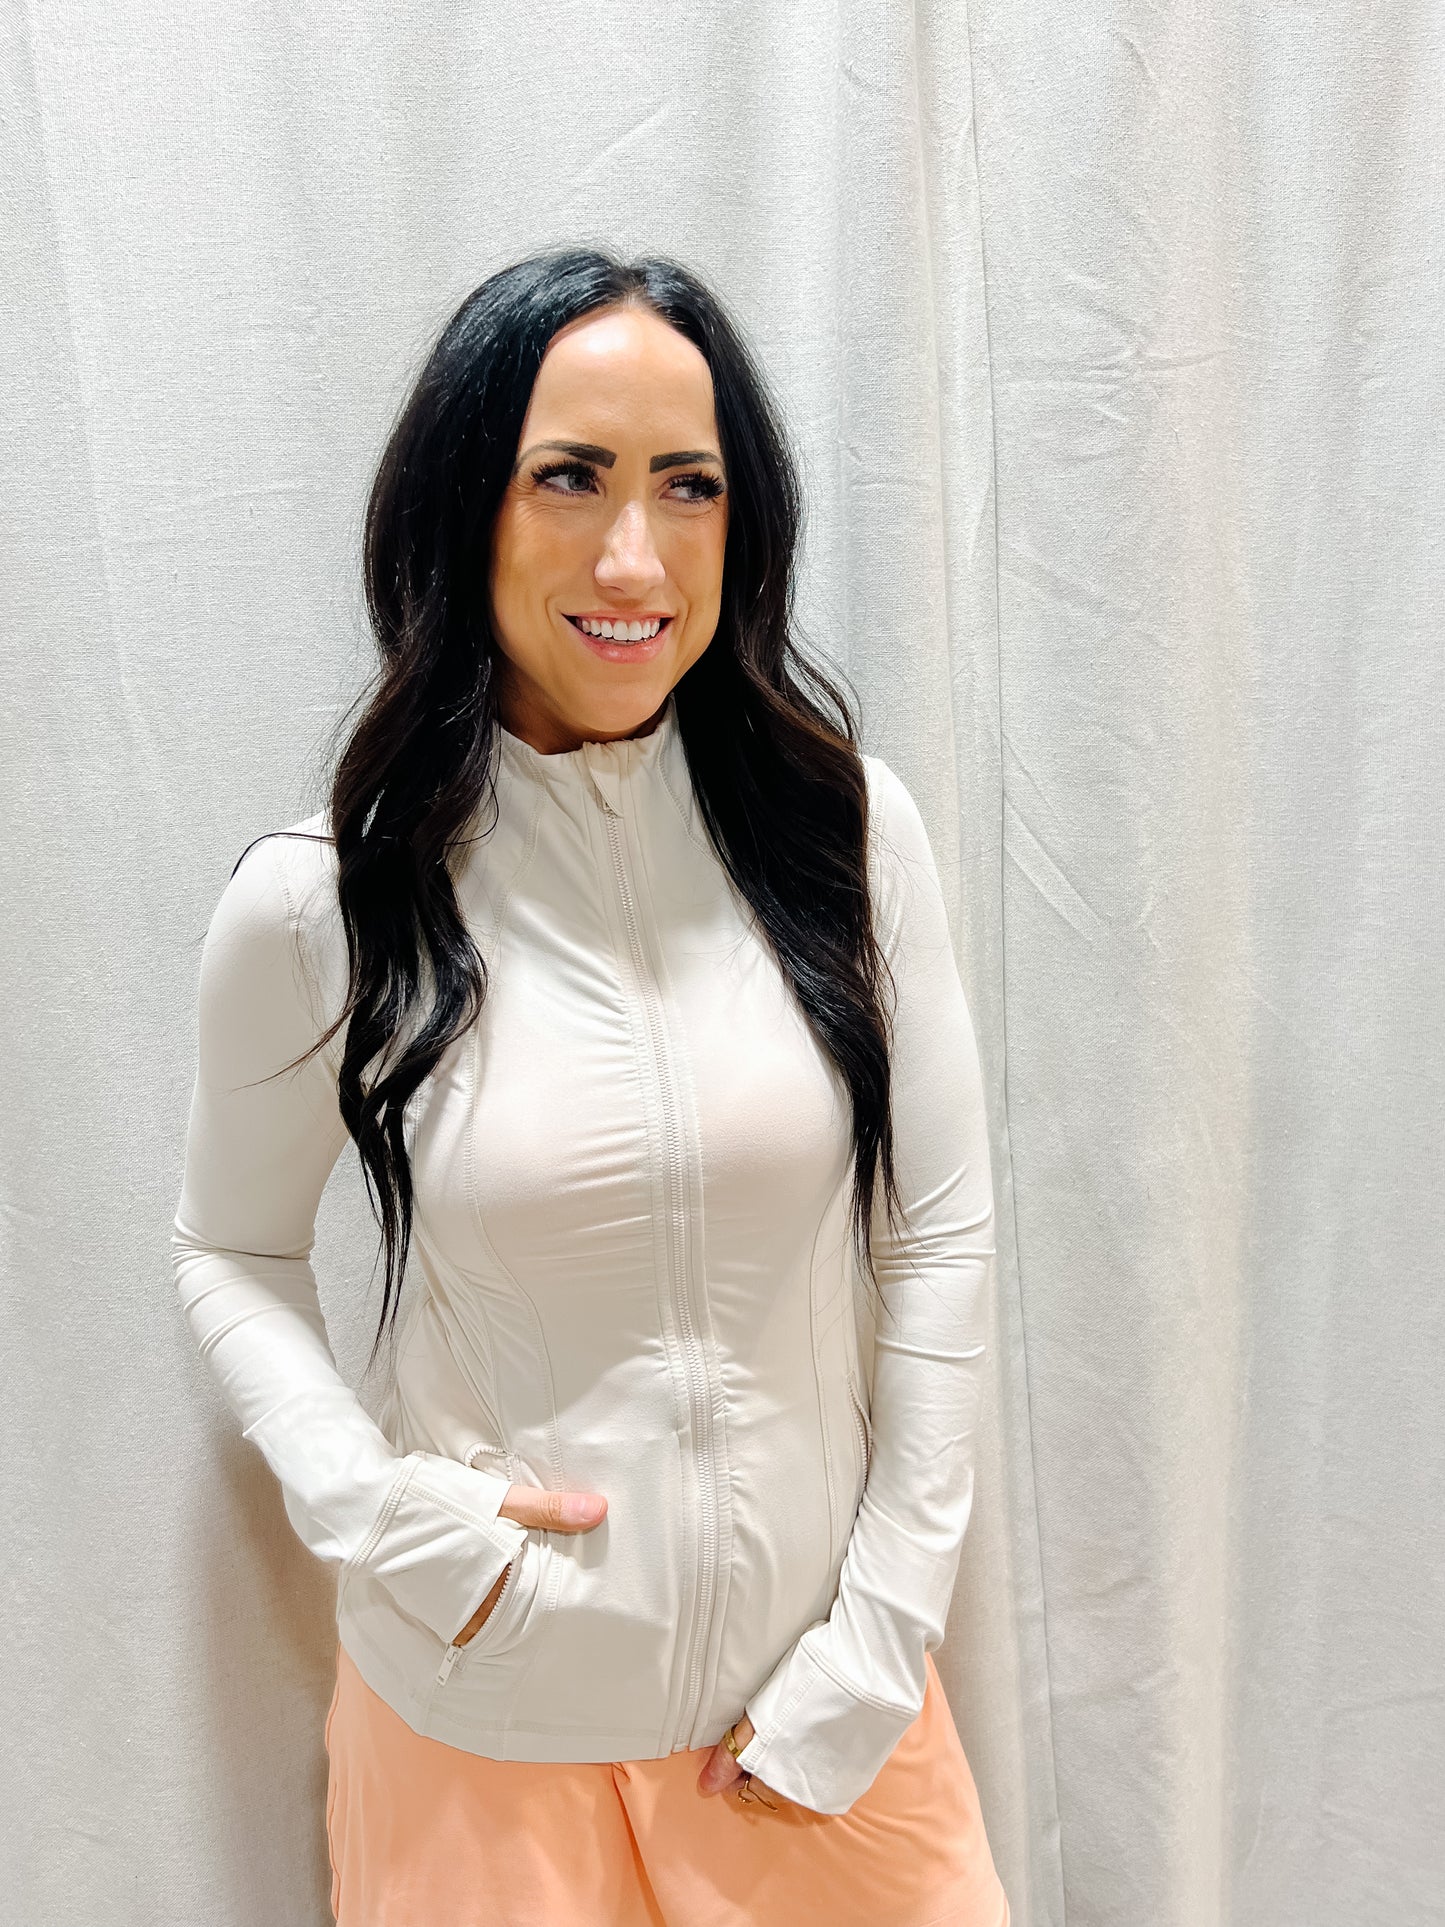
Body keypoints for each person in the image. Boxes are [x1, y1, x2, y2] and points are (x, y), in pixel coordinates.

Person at [172, 247, 1009, 1926]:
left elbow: (940, 1234)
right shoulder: (323, 903)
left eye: (687, 485)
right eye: (568, 476)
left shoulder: (845, 837)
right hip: (485, 1744)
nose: (635, 556)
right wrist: (376, 1513)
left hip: (821, 1730)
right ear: (460, 509)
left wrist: (878, 1641)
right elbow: (230, 1253)